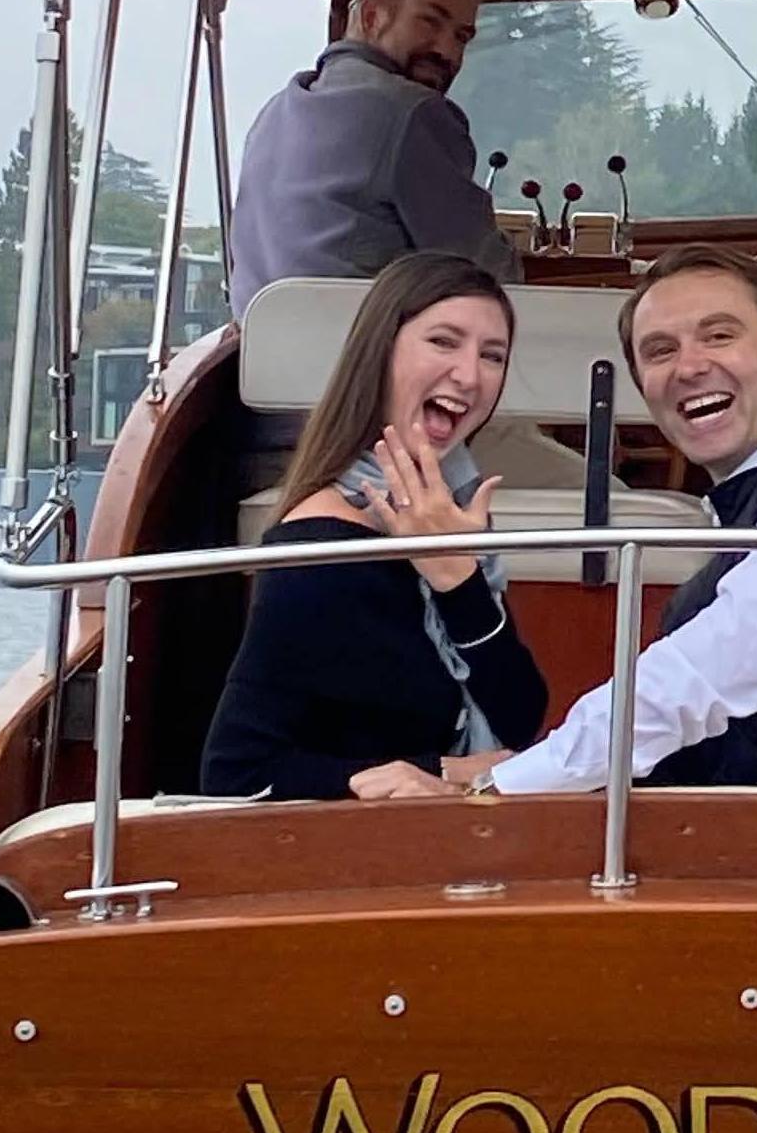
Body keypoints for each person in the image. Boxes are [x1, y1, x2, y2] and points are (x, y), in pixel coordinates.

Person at [466, 246, 757, 797]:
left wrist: (500, 787)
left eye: (719, 336)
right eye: (660, 350)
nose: (690, 367)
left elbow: (710, 672)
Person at [200, 251, 546, 801]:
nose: (469, 374)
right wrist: (432, 768)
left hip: (465, 831)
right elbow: (235, 772)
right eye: (443, 341)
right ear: (380, 353)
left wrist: (459, 580)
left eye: (493, 355)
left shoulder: (457, 513)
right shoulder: (320, 550)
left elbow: (521, 714)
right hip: (364, 858)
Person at [226, 0, 517, 309]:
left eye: (461, 36)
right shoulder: (414, 112)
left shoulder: (275, 112)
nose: (447, 52)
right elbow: (487, 275)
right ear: (371, 17)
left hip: (257, 357)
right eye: (430, 21)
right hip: (363, 356)